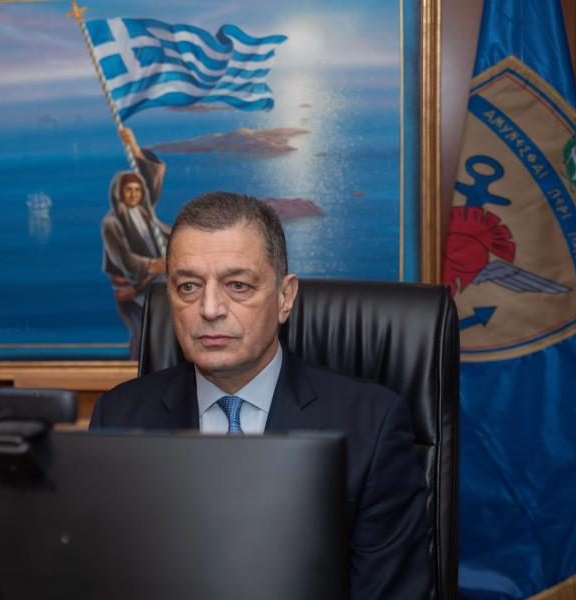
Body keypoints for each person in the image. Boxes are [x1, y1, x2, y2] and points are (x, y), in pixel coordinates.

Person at [90, 192, 430, 598]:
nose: (210, 308)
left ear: (285, 297)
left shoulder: (371, 426)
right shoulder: (120, 417)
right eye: (188, 286)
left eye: (237, 285)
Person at [101, 126, 170, 358]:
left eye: (137, 190)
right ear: (120, 192)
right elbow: (123, 258)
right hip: (134, 289)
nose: (133, 194)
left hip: (156, 284)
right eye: (128, 190)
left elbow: (151, 178)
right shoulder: (112, 223)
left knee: (163, 334)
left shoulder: (144, 212)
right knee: (143, 334)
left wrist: (133, 146)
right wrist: (154, 266)